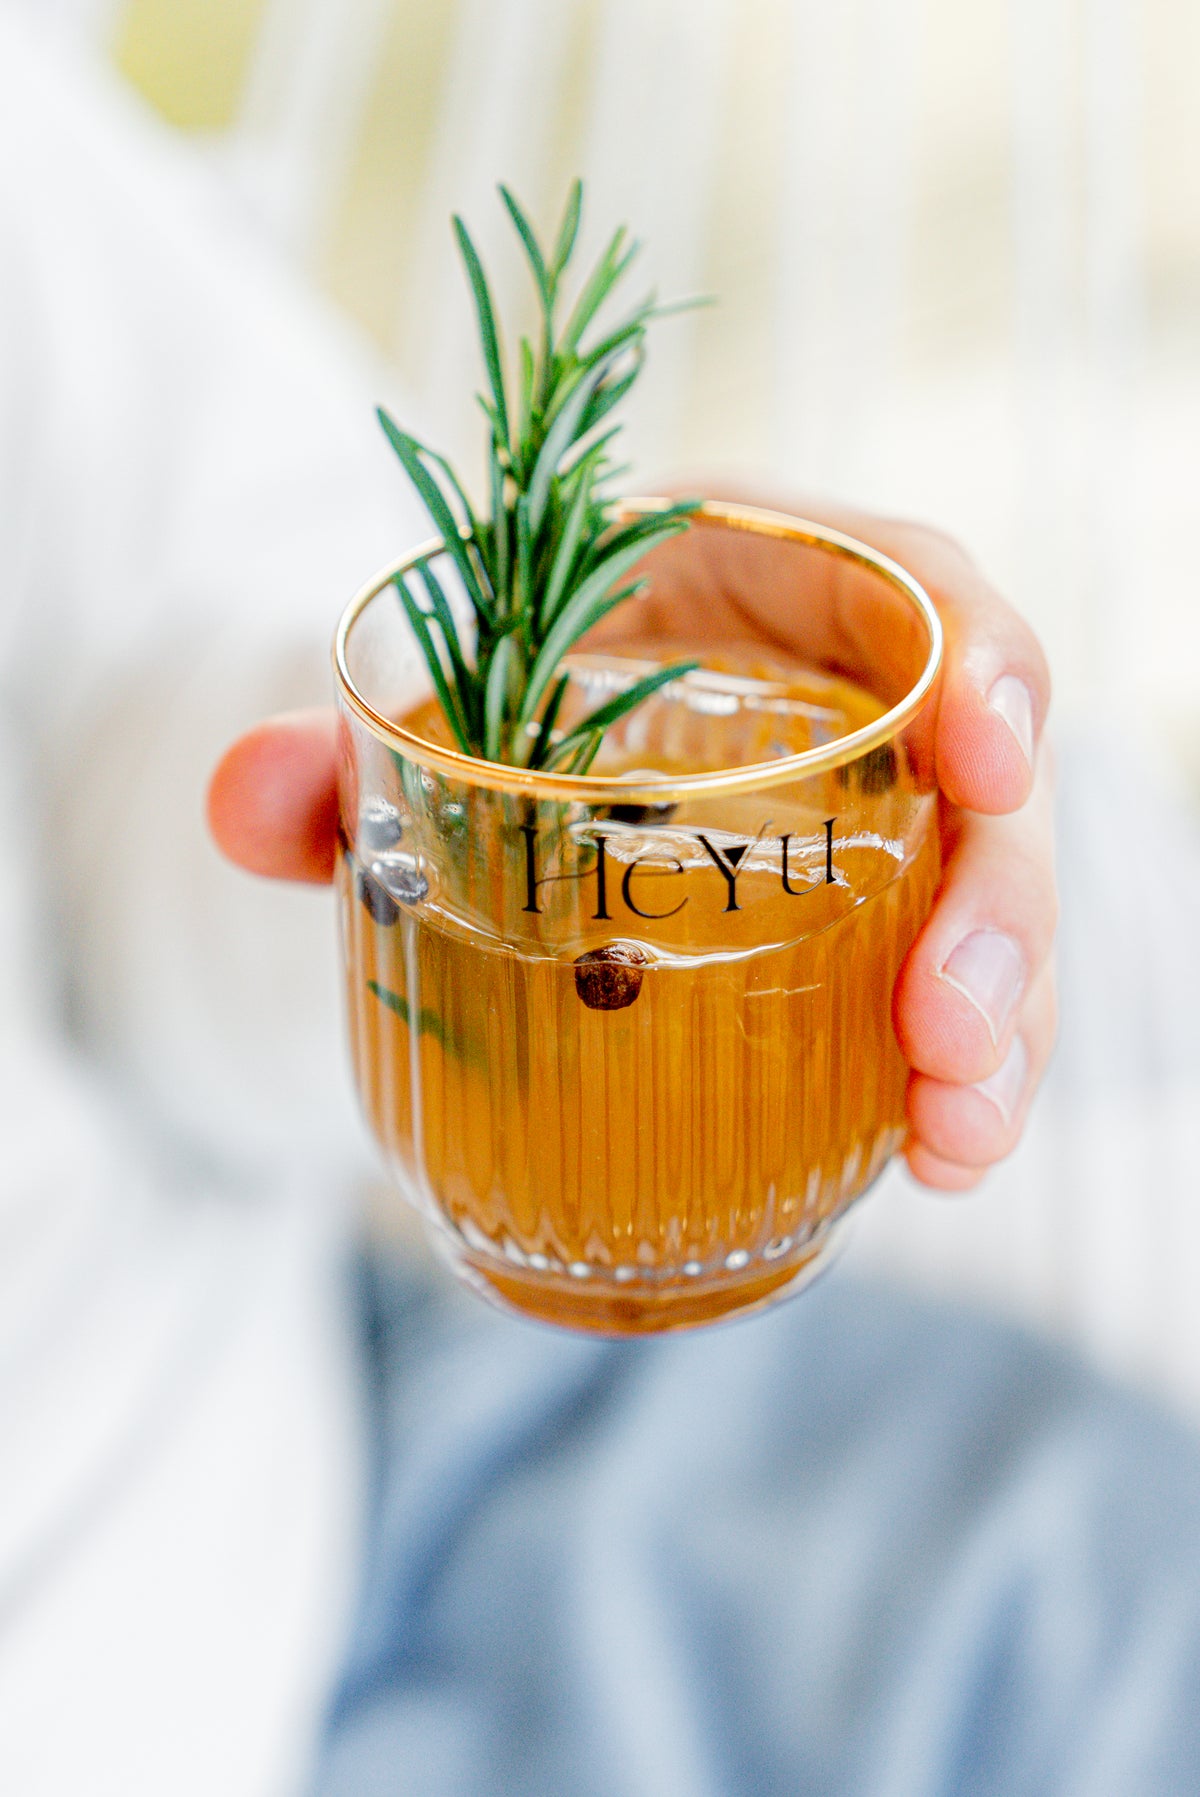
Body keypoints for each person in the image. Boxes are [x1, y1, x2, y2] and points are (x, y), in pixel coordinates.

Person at [4, 9, 1200, 1797]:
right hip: (176, 1705)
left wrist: (412, 836)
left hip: (333, 1444)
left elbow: (116, 788)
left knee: (1121, 1587)